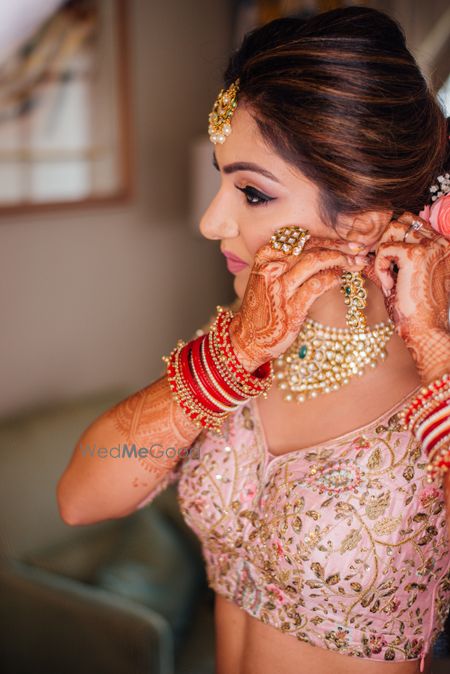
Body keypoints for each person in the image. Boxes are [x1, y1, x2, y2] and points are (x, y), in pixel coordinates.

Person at [57, 6, 450, 674]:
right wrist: (232, 357)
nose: (213, 222)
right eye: (220, 180)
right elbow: (82, 498)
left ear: (360, 220)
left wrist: (439, 353)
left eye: (252, 192)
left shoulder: (434, 377)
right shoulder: (236, 349)